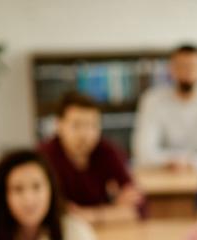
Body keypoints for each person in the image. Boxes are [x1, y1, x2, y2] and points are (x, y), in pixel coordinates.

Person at [39, 91, 143, 224]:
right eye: (76, 125)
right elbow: (50, 213)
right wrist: (112, 211)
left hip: (106, 235)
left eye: (92, 125)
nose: (85, 134)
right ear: (59, 125)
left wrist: (89, 215)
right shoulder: (44, 157)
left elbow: (138, 208)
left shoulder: (106, 152)